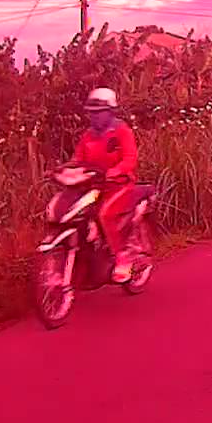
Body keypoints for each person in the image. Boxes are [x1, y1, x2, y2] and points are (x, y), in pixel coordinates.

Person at [72, 87, 139, 282]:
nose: (95, 116)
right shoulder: (88, 135)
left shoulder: (122, 131)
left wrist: (114, 171)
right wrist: (68, 171)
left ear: (110, 112)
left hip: (119, 185)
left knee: (105, 215)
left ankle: (122, 258)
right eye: (91, 112)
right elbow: (78, 160)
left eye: (99, 112)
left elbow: (130, 159)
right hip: (94, 186)